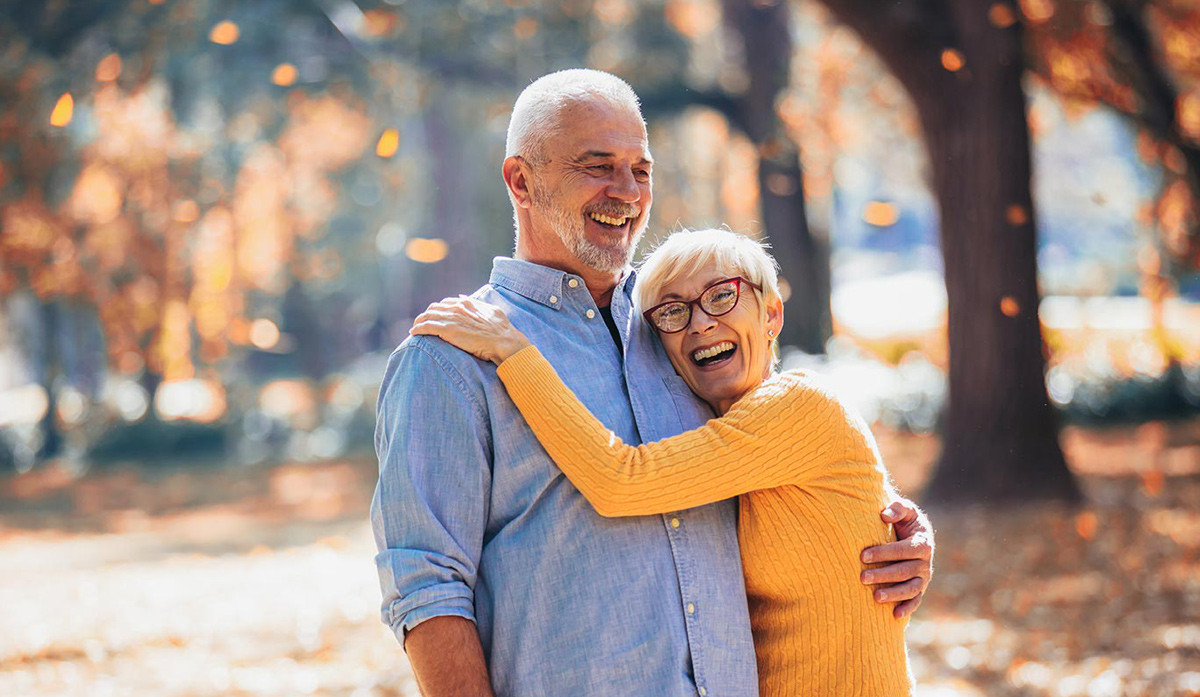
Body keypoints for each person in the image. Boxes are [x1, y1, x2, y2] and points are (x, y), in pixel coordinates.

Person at [372, 69, 933, 697]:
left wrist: (897, 533)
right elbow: (427, 588)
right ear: (521, 180)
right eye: (597, 166)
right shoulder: (451, 357)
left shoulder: (682, 326)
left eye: (641, 170)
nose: (627, 192)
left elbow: (784, 465)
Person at [412, 228, 914, 695]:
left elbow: (620, 481)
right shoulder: (715, 436)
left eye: (722, 295)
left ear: (771, 315)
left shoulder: (799, 407)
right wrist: (912, 534)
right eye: (673, 312)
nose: (700, 323)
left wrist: (513, 351)